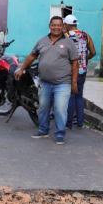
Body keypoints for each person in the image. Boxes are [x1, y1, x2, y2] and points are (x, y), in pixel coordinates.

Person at [15, 16, 78, 145]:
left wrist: (74, 82)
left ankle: (60, 134)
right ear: (49, 26)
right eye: (53, 25)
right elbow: (32, 56)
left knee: (60, 109)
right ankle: (43, 130)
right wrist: (21, 69)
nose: (56, 27)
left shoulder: (68, 43)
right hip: (45, 82)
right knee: (43, 108)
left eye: (59, 25)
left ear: (63, 26)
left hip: (63, 83)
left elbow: (75, 63)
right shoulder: (42, 41)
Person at [63, 14, 96, 129]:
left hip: (71, 70)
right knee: (79, 95)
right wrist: (86, 59)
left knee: (71, 95)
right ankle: (80, 122)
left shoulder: (66, 36)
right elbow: (93, 51)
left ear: (66, 24)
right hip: (83, 70)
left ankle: (69, 123)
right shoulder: (85, 35)